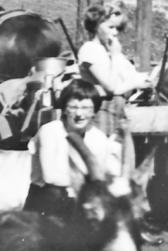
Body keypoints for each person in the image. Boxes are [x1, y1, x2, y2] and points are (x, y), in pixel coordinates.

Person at [24, 79, 122, 219]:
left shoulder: (98, 138)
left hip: (81, 201)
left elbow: (102, 172)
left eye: (86, 108)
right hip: (46, 202)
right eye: (73, 107)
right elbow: (50, 176)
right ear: (64, 108)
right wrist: (92, 183)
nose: (79, 115)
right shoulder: (50, 132)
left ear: (94, 111)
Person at [76, 1, 153, 169]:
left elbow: (130, 74)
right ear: (96, 25)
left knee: (117, 160)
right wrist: (117, 57)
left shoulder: (108, 50)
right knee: (100, 159)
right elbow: (111, 86)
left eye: (118, 29)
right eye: (110, 27)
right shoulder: (90, 50)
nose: (115, 33)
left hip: (117, 112)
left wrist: (145, 79)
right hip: (99, 112)